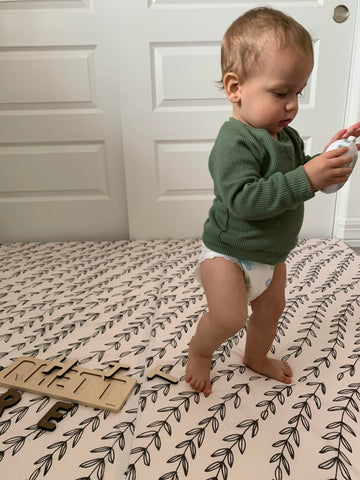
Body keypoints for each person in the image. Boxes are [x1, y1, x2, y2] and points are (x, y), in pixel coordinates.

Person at [185, 6, 360, 395]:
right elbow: (246, 200)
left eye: (298, 92)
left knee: (270, 312)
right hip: (227, 254)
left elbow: (300, 176)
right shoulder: (234, 142)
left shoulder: (286, 137)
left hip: (271, 254)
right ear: (235, 88)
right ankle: (199, 352)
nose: (292, 104)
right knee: (229, 317)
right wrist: (307, 178)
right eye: (281, 92)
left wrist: (329, 160)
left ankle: (255, 357)